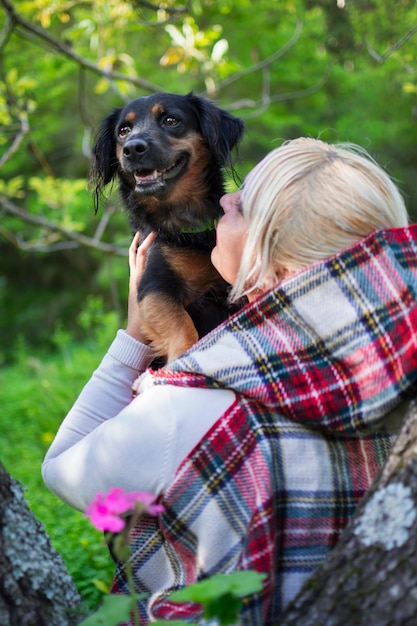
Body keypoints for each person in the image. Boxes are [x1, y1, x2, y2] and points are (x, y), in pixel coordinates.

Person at [42, 138, 417, 625]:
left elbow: (61, 468)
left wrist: (134, 339)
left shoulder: (186, 409)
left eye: (243, 206)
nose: (224, 199)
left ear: (269, 257)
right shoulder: (397, 373)